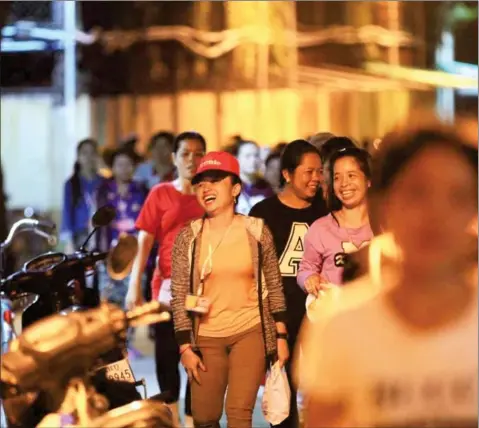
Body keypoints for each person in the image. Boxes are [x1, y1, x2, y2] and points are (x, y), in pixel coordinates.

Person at [302, 118, 478, 427]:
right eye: (417, 193)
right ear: (383, 205)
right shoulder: (341, 326)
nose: (436, 213)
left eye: (457, 196)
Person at [171, 151, 289, 428]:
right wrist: (185, 346)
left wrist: (280, 335)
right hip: (205, 338)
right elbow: (179, 295)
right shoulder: (189, 236)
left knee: (238, 413)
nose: (206, 188)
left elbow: (274, 285)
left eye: (215, 181)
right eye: (200, 183)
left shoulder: (256, 231)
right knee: (204, 417)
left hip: (250, 332)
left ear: (235, 188)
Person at [125, 131, 207, 428]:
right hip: (166, 289)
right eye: (185, 153)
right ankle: (173, 423)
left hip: (203, 289)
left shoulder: (212, 195)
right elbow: (144, 243)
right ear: (174, 158)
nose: (192, 160)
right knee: (166, 357)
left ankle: (193, 421)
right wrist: (134, 286)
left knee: (199, 359)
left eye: (198, 154)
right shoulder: (160, 193)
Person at [249, 140, 328, 428]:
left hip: (319, 317)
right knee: (283, 400)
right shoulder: (262, 213)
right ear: (287, 174)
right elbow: (253, 272)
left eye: (319, 171)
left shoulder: (325, 210)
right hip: (279, 318)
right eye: (308, 172)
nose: (316, 178)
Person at [298, 147, 373, 294]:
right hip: (335, 312)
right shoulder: (320, 228)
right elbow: (305, 269)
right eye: (337, 178)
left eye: (351, 176)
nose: (344, 184)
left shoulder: (385, 225)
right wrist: (310, 278)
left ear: (368, 180)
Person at [96, 147, 148, 359]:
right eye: (119, 164)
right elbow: (97, 223)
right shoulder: (103, 191)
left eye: (128, 165)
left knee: (131, 301)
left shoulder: (142, 190)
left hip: (135, 254)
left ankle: (127, 343)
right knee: (108, 301)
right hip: (109, 254)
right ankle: (110, 345)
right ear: (112, 168)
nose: (124, 169)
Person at [61, 139, 104, 253]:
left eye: (92, 153)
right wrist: (68, 242)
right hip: (79, 238)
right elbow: (67, 213)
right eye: (85, 153)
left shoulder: (105, 182)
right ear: (78, 157)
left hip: (101, 236)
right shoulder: (71, 184)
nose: (89, 157)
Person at [234, 140, 274, 214]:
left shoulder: (266, 187)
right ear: (236, 158)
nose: (253, 160)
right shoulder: (230, 187)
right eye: (247, 156)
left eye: (256, 155)